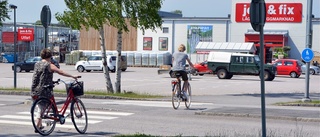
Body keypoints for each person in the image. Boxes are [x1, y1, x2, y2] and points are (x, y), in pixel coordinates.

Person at [31, 48, 80, 133]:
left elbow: (41, 76)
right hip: (45, 89)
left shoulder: (37, 64)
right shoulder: (49, 65)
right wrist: (72, 76)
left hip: (34, 89)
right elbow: (60, 72)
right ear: (50, 56)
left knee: (40, 106)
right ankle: (37, 126)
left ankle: (39, 125)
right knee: (41, 109)